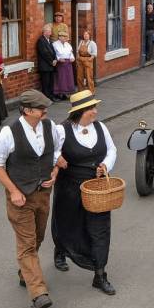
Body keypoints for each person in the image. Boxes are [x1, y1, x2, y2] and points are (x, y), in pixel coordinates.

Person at [0, 90, 62, 308]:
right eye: (41, 108)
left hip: (42, 195)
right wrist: (13, 191)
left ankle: (25, 272)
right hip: (20, 198)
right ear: (28, 110)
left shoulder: (51, 128)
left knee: (38, 237)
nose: (45, 111)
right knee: (27, 243)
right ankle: (38, 293)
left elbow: (56, 153)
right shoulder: (9, 133)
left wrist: (56, 171)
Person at [51, 89, 118, 295]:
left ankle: (100, 274)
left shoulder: (101, 127)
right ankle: (61, 249)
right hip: (69, 187)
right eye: (91, 108)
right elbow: (49, 149)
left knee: (100, 230)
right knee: (68, 224)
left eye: (95, 107)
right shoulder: (62, 130)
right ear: (80, 111)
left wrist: (106, 165)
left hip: (96, 189)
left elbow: (112, 150)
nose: (96, 112)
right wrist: (56, 158)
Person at [36, 25, 57, 101]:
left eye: (50, 31)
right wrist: (52, 61)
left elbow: (53, 52)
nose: (50, 33)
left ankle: (51, 97)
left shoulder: (49, 40)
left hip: (51, 66)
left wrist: (55, 59)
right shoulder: (41, 41)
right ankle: (46, 98)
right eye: (49, 31)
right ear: (44, 32)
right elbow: (44, 53)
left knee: (51, 82)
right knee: (45, 83)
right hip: (45, 66)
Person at [52, 32, 75, 100]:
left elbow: (70, 53)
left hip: (68, 63)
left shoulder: (68, 44)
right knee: (61, 78)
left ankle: (66, 93)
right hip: (60, 63)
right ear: (59, 37)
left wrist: (72, 57)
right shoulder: (55, 44)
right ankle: (59, 93)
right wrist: (58, 58)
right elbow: (54, 53)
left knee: (68, 79)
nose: (65, 38)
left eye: (66, 37)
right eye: (64, 37)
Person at [75, 30, 97, 94]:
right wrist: (78, 57)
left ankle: (91, 91)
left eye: (87, 34)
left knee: (89, 76)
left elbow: (94, 54)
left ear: (89, 36)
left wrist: (89, 60)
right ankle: (81, 91)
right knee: (80, 76)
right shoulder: (81, 42)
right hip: (80, 60)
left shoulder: (92, 43)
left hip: (88, 60)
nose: (85, 36)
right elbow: (77, 51)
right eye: (84, 34)